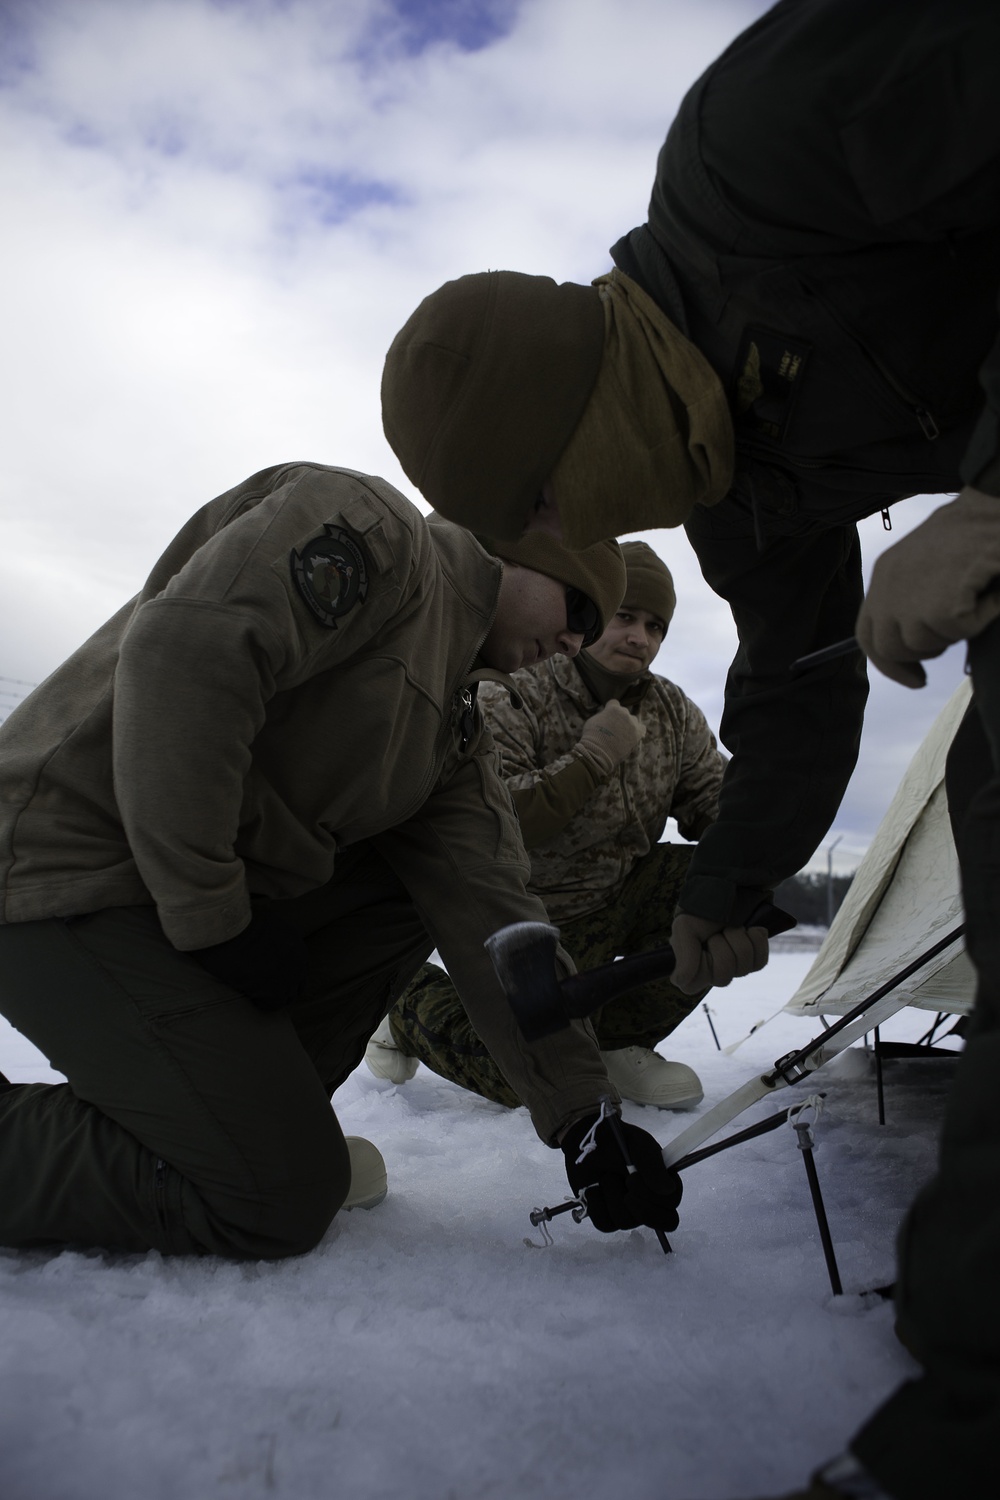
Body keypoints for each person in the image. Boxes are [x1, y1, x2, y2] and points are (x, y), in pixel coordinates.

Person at [380, 2, 1000, 1495]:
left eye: (537, 512)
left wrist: (987, 499)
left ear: (557, 427)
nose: (578, 553)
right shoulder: (746, 491)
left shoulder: (758, 144)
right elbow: (792, 689)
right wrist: (726, 889)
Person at [0, 460, 686, 1258]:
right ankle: (257, 1156)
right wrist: (215, 915)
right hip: (59, 865)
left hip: (164, 913)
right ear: (523, 543)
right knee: (278, 1196)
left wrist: (583, 1117)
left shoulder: (450, 738)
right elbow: (188, 653)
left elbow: (497, 913)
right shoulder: (375, 531)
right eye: (578, 605)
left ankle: (250, 1133)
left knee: (418, 885)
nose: (576, 639)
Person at [367, 540, 727, 1110]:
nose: (640, 637)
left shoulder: (674, 710)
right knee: (529, 1079)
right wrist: (593, 758)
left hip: (617, 899)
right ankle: (407, 1007)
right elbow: (495, 824)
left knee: (718, 882)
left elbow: (714, 801)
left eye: (656, 626)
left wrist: (768, 814)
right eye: (626, 616)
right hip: (524, 919)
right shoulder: (519, 684)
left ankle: (617, 1043)